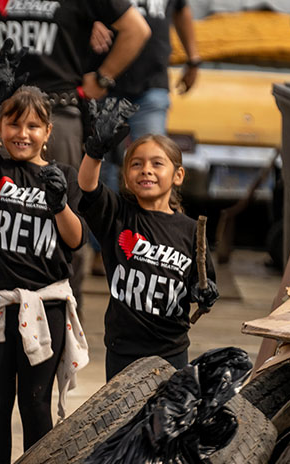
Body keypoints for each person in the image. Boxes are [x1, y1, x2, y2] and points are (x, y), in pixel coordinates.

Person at [0, 40, 89, 464]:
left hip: (43, 307)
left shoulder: (63, 177)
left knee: (34, 401)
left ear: (49, 132)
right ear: (1, 128)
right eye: (13, 123)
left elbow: (75, 240)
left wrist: (59, 204)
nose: (23, 133)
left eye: (34, 126)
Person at [0, 0, 151, 313]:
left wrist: (103, 77)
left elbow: (136, 29)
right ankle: (0, 308)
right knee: (0, 214)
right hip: (8, 112)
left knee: (66, 211)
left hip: (58, 117)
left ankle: (66, 312)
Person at [76, 99, 218, 381]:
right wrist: (95, 151)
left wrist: (206, 294)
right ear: (127, 179)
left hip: (172, 352)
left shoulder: (191, 231)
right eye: (137, 164)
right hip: (123, 351)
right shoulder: (115, 216)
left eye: (157, 164)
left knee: (166, 423)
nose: (146, 170)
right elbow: (87, 187)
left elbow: (201, 285)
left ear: (178, 175)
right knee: (123, 422)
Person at [86, 0, 201, 275]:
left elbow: (181, 11)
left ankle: (155, 246)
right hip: (106, 83)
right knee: (105, 170)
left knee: (156, 166)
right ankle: (103, 249)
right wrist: (89, 23)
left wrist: (193, 58)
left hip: (152, 85)